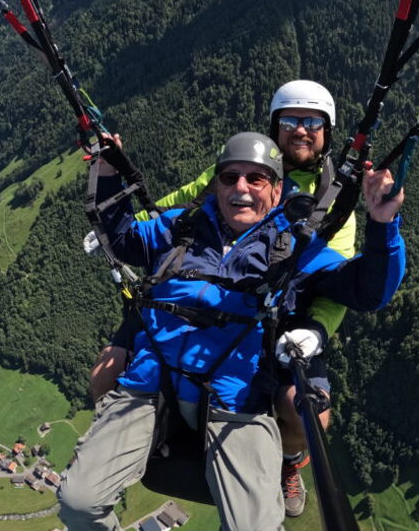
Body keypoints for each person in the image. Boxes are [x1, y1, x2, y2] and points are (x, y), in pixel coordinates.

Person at [59, 132, 406, 531]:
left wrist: (383, 225)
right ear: (217, 184)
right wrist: (106, 170)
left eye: (255, 179)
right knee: (77, 502)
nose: (240, 188)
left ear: (276, 191)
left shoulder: (293, 247)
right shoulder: (181, 227)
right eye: (229, 177)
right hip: (150, 384)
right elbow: (121, 237)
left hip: (236, 399)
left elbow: (367, 289)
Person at [86, 80, 354, 516]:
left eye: (312, 123)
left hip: (285, 315)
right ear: (275, 126)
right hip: (187, 286)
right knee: (104, 374)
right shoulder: (245, 164)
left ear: (327, 132)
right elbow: (180, 208)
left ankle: (287, 460)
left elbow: (332, 282)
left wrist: (316, 330)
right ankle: (139, 437)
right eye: (290, 121)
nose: (300, 131)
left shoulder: (336, 202)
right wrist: (127, 226)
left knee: (309, 416)